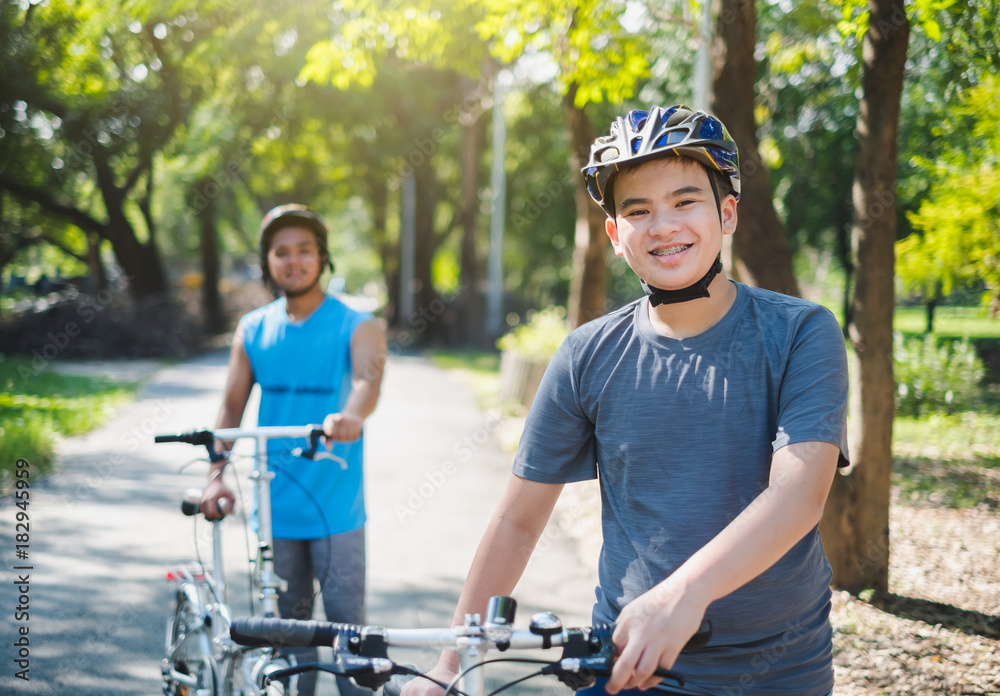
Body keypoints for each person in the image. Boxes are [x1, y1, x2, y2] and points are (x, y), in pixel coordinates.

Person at [405, 105, 848, 696]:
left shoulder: (800, 332)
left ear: (728, 212)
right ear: (615, 235)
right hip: (626, 666)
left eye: (686, 201)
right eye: (638, 212)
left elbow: (798, 494)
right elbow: (517, 519)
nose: (663, 225)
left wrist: (681, 596)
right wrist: (453, 662)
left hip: (776, 670)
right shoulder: (587, 355)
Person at [201, 204, 387, 696]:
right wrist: (215, 475)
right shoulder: (253, 329)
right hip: (273, 505)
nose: (294, 260)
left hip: (336, 508)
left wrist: (351, 416)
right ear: (268, 263)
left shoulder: (358, 323)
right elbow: (231, 406)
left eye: (305, 250)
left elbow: (369, 381)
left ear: (321, 257)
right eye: (281, 252)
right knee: (289, 635)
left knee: (350, 631)